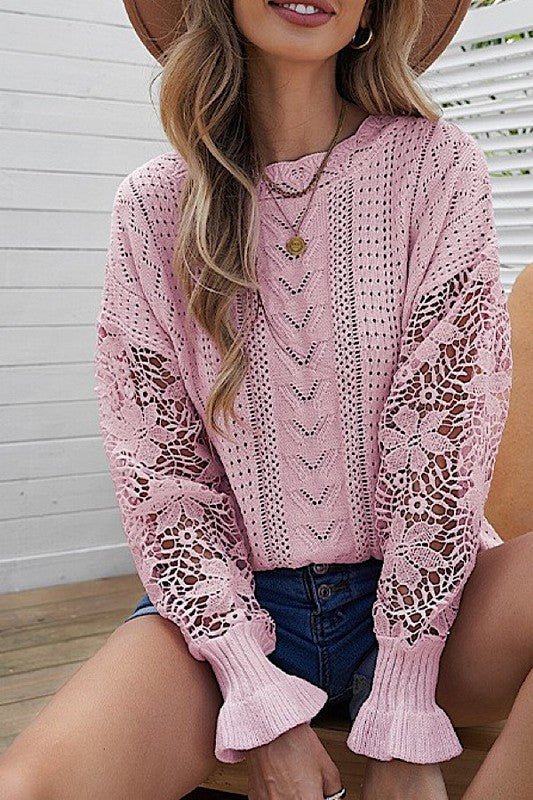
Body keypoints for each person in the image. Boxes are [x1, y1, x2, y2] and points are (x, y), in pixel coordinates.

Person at [3, 2, 532, 799]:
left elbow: (441, 441)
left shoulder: (434, 166)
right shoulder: (153, 204)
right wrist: (256, 697)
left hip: (431, 604)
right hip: (231, 610)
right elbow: (161, 475)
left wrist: (402, 700)